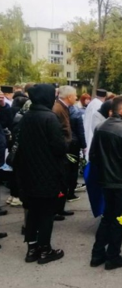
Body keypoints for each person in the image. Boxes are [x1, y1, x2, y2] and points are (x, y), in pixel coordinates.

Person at [89, 95, 122, 270]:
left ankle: (97, 254)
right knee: (118, 220)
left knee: (108, 217)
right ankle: (113, 256)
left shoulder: (100, 127)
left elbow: (93, 156)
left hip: (106, 181)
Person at [15, 84, 66, 264]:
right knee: (46, 213)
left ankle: (32, 248)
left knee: (32, 212)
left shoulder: (26, 117)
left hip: (27, 172)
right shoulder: (49, 118)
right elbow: (59, 147)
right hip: (47, 173)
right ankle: (45, 249)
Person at [53, 86, 76, 221]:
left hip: (65, 146)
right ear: (68, 97)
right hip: (61, 149)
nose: (76, 98)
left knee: (64, 179)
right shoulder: (57, 109)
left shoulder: (63, 107)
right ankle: (55, 209)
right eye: (74, 95)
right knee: (60, 180)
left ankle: (59, 208)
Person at [67, 94, 87, 202]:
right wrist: (84, 145)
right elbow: (80, 130)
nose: (76, 98)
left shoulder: (60, 109)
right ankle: (70, 192)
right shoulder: (76, 112)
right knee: (73, 168)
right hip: (74, 143)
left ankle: (65, 192)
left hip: (66, 142)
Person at [84, 89, 107, 160]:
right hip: (93, 129)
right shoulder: (100, 105)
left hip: (87, 127)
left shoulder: (91, 103)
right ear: (105, 97)